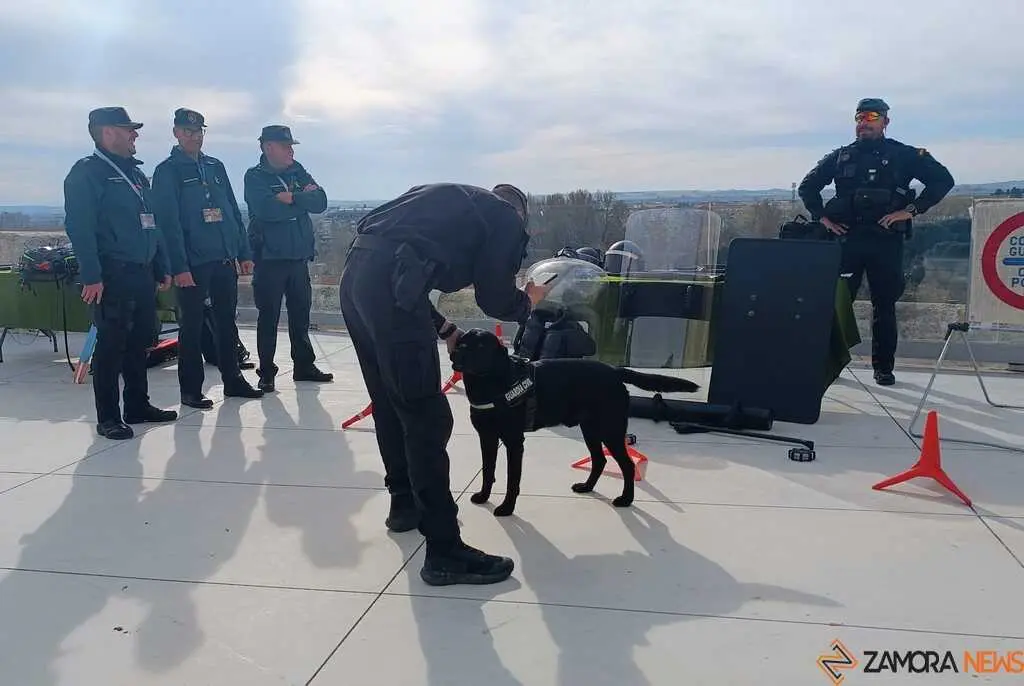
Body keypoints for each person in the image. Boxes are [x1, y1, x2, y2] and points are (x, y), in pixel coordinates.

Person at [339, 183, 550, 586]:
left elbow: (401, 268)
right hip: (389, 290)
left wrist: (444, 328)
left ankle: (404, 504)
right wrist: (529, 301)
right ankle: (444, 551)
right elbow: (494, 297)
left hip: (357, 282)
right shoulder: (506, 220)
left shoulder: (443, 201)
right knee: (426, 418)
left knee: (388, 399)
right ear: (520, 214)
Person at [797, 98, 954, 386]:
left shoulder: (905, 155)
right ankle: (828, 363)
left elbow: (943, 180)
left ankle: (883, 368)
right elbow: (808, 186)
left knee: (884, 306)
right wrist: (822, 218)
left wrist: (909, 211)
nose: (863, 123)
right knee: (837, 304)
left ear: (885, 121)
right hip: (848, 239)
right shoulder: (841, 157)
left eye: (870, 117)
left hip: (885, 242)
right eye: (858, 118)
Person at [63, 107, 179, 439]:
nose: (135, 135)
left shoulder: (137, 175)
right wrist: (91, 275)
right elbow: (80, 228)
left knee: (140, 341)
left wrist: (161, 265)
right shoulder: (87, 173)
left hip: (142, 273)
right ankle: (108, 417)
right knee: (112, 346)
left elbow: (152, 224)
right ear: (107, 132)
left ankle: (137, 405)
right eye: (128, 129)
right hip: (111, 273)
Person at [152, 108, 264, 409]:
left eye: (199, 130)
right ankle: (191, 390)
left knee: (226, 323)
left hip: (223, 259)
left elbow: (230, 209)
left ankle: (233, 381)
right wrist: (179, 267)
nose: (194, 136)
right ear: (176, 133)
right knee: (191, 327)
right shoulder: (168, 171)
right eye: (188, 131)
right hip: (193, 263)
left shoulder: (215, 166)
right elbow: (168, 224)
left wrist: (242, 252)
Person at [243, 125, 333, 392]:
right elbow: (266, 210)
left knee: (300, 315)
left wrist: (292, 197)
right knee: (268, 317)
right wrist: (298, 206)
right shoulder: (255, 177)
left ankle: (304, 365)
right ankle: (267, 371)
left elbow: (320, 201)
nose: (291, 151)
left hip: (298, 258)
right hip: (270, 259)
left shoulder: (298, 171)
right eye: (285, 146)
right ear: (268, 147)